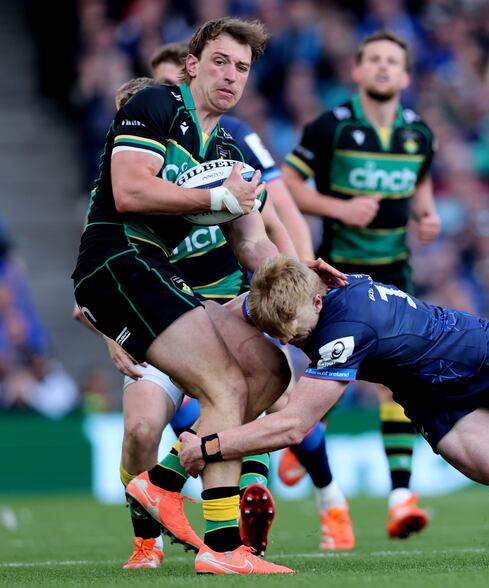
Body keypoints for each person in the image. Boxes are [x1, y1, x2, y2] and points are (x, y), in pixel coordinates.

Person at [180, 256, 489, 562]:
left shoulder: (346, 329)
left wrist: (208, 446)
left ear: (317, 300)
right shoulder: (294, 295)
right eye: (279, 332)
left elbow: (293, 426)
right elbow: (232, 312)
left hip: (483, 356)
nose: (289, 339)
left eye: (294, 328)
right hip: (433, 398)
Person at [71, 17, 343, 575]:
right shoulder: (154, 103)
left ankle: (179, 500)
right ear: (192, 65)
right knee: (221, 384)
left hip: (155, 271)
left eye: (241, 67)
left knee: (268, 372)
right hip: (117, 260)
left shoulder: (225, 149)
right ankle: (207, 537)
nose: (231, 75)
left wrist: (300, 276)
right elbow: (129, 191)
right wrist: (221, 198)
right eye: (220, 61)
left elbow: (251, 243)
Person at [150, 43, 354, 551]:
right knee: (212, 406)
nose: (170, 96)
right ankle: (211, 504)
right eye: (160, 88)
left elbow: (277, 213)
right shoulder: (144, 146)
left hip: (231, 294)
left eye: (175, 85)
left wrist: (297, 278)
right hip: (167, 301)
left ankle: (324, 498)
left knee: (271, 396)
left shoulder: (234, 137)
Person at [281, 30, 440, 539]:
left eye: (392, 60)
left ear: (406, 75)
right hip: (337, 274)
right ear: (357, 70)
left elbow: (421, 179)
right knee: (331, 375)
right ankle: (306, 433)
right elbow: (286, 185)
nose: (383, 67)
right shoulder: (330, 126)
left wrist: (426, 213)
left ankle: (401, 498)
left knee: (400, 379)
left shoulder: (420, 133)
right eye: (373, 59)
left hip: (394, 274)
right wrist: (340, 208)